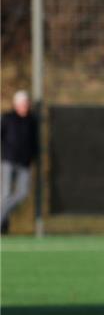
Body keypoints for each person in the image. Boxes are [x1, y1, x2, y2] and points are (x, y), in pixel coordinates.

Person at [1, 90, 37, 235]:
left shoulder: (32, 120)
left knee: (22, 193)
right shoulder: (7, 118)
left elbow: (34, 142)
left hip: (25, 163)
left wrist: (33, 156)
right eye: (22, 103)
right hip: (8, 161)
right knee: (5, 194)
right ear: (16, 104)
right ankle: (2, 225)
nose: (25, 106)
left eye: (27, 103)